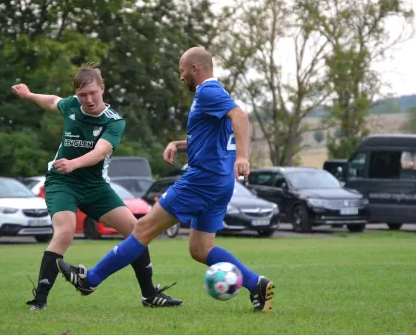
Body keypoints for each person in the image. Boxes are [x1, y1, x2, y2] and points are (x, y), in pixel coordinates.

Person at [56, 47, 275, 313]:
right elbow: (212, 137)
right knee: (201, 249)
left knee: (142, 229)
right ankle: (257, 284)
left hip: (200, 181)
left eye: (182, 70)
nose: (180, 76)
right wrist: (180, 144)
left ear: (194, 68)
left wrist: (243, 156)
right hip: (220, 183)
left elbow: (240, 116)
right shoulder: (216, 94)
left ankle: (90, 280)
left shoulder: (207, 91)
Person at [11, 63, 183, 311]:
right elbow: (51, 101)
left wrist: (73, 163)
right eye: (82, 95)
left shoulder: (114, 122)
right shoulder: (71, 105)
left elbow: (100, 152)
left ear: (102, 88)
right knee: (65, 232)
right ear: (77, 95)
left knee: (137, 231)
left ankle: (149, 295)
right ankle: (39, 301)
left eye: (93, 93)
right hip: (62, 182)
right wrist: (28, 95)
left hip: (94, 186)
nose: (89, 100)